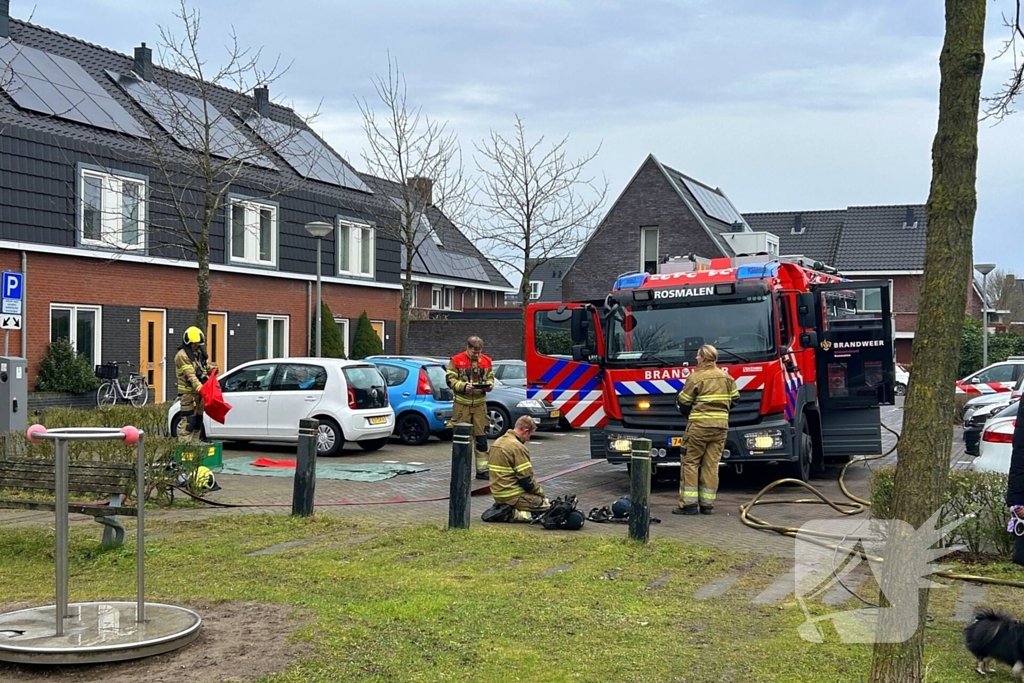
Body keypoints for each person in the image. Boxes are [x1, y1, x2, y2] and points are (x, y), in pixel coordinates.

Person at [673, 344, 739, 515]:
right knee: (711, 465)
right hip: (721, 427)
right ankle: (707, 505)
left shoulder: (696, 378)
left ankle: (689, 505)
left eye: (697, 356)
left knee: (690, 462)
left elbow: (684, 402)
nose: (696, 358)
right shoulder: (726, 377)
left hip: (699, 427)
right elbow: (736, 399)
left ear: (703, 357)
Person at [446, 335, 494, 479]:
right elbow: (450, 379)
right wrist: (462, 386)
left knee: (481, 439)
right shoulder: (456, 360)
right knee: (462, 439)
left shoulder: (487, 361)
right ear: (468, 348)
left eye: (479, 352)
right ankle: (461, 470)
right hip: (462, 406)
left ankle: (482, 470)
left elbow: (491, 377)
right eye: (474, 352)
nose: (477, 355)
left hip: (480, 405)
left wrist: (490, 385)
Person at [488, 415, 549, 520]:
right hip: (513, 495)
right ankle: (511, 515)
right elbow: (527, 481)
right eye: (530, 435)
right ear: (525, 431)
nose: (528, 439)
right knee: (546, 507)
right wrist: (540, 492)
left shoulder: (497, 442)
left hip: (498, 494)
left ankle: (504, 508)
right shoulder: (517, 447)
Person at [175, 326, 211, 443]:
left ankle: (194, 451)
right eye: (194, 344)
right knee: (189, 423)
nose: (196, 346)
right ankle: (184, 451)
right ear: (188, 342)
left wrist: (212, 370)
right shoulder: (182, 356)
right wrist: (201, 388)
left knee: (198, 423)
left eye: (198, 344)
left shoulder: (198, 353)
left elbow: (203, 367)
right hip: (188, 395)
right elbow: (191, 375)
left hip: (199, 394)